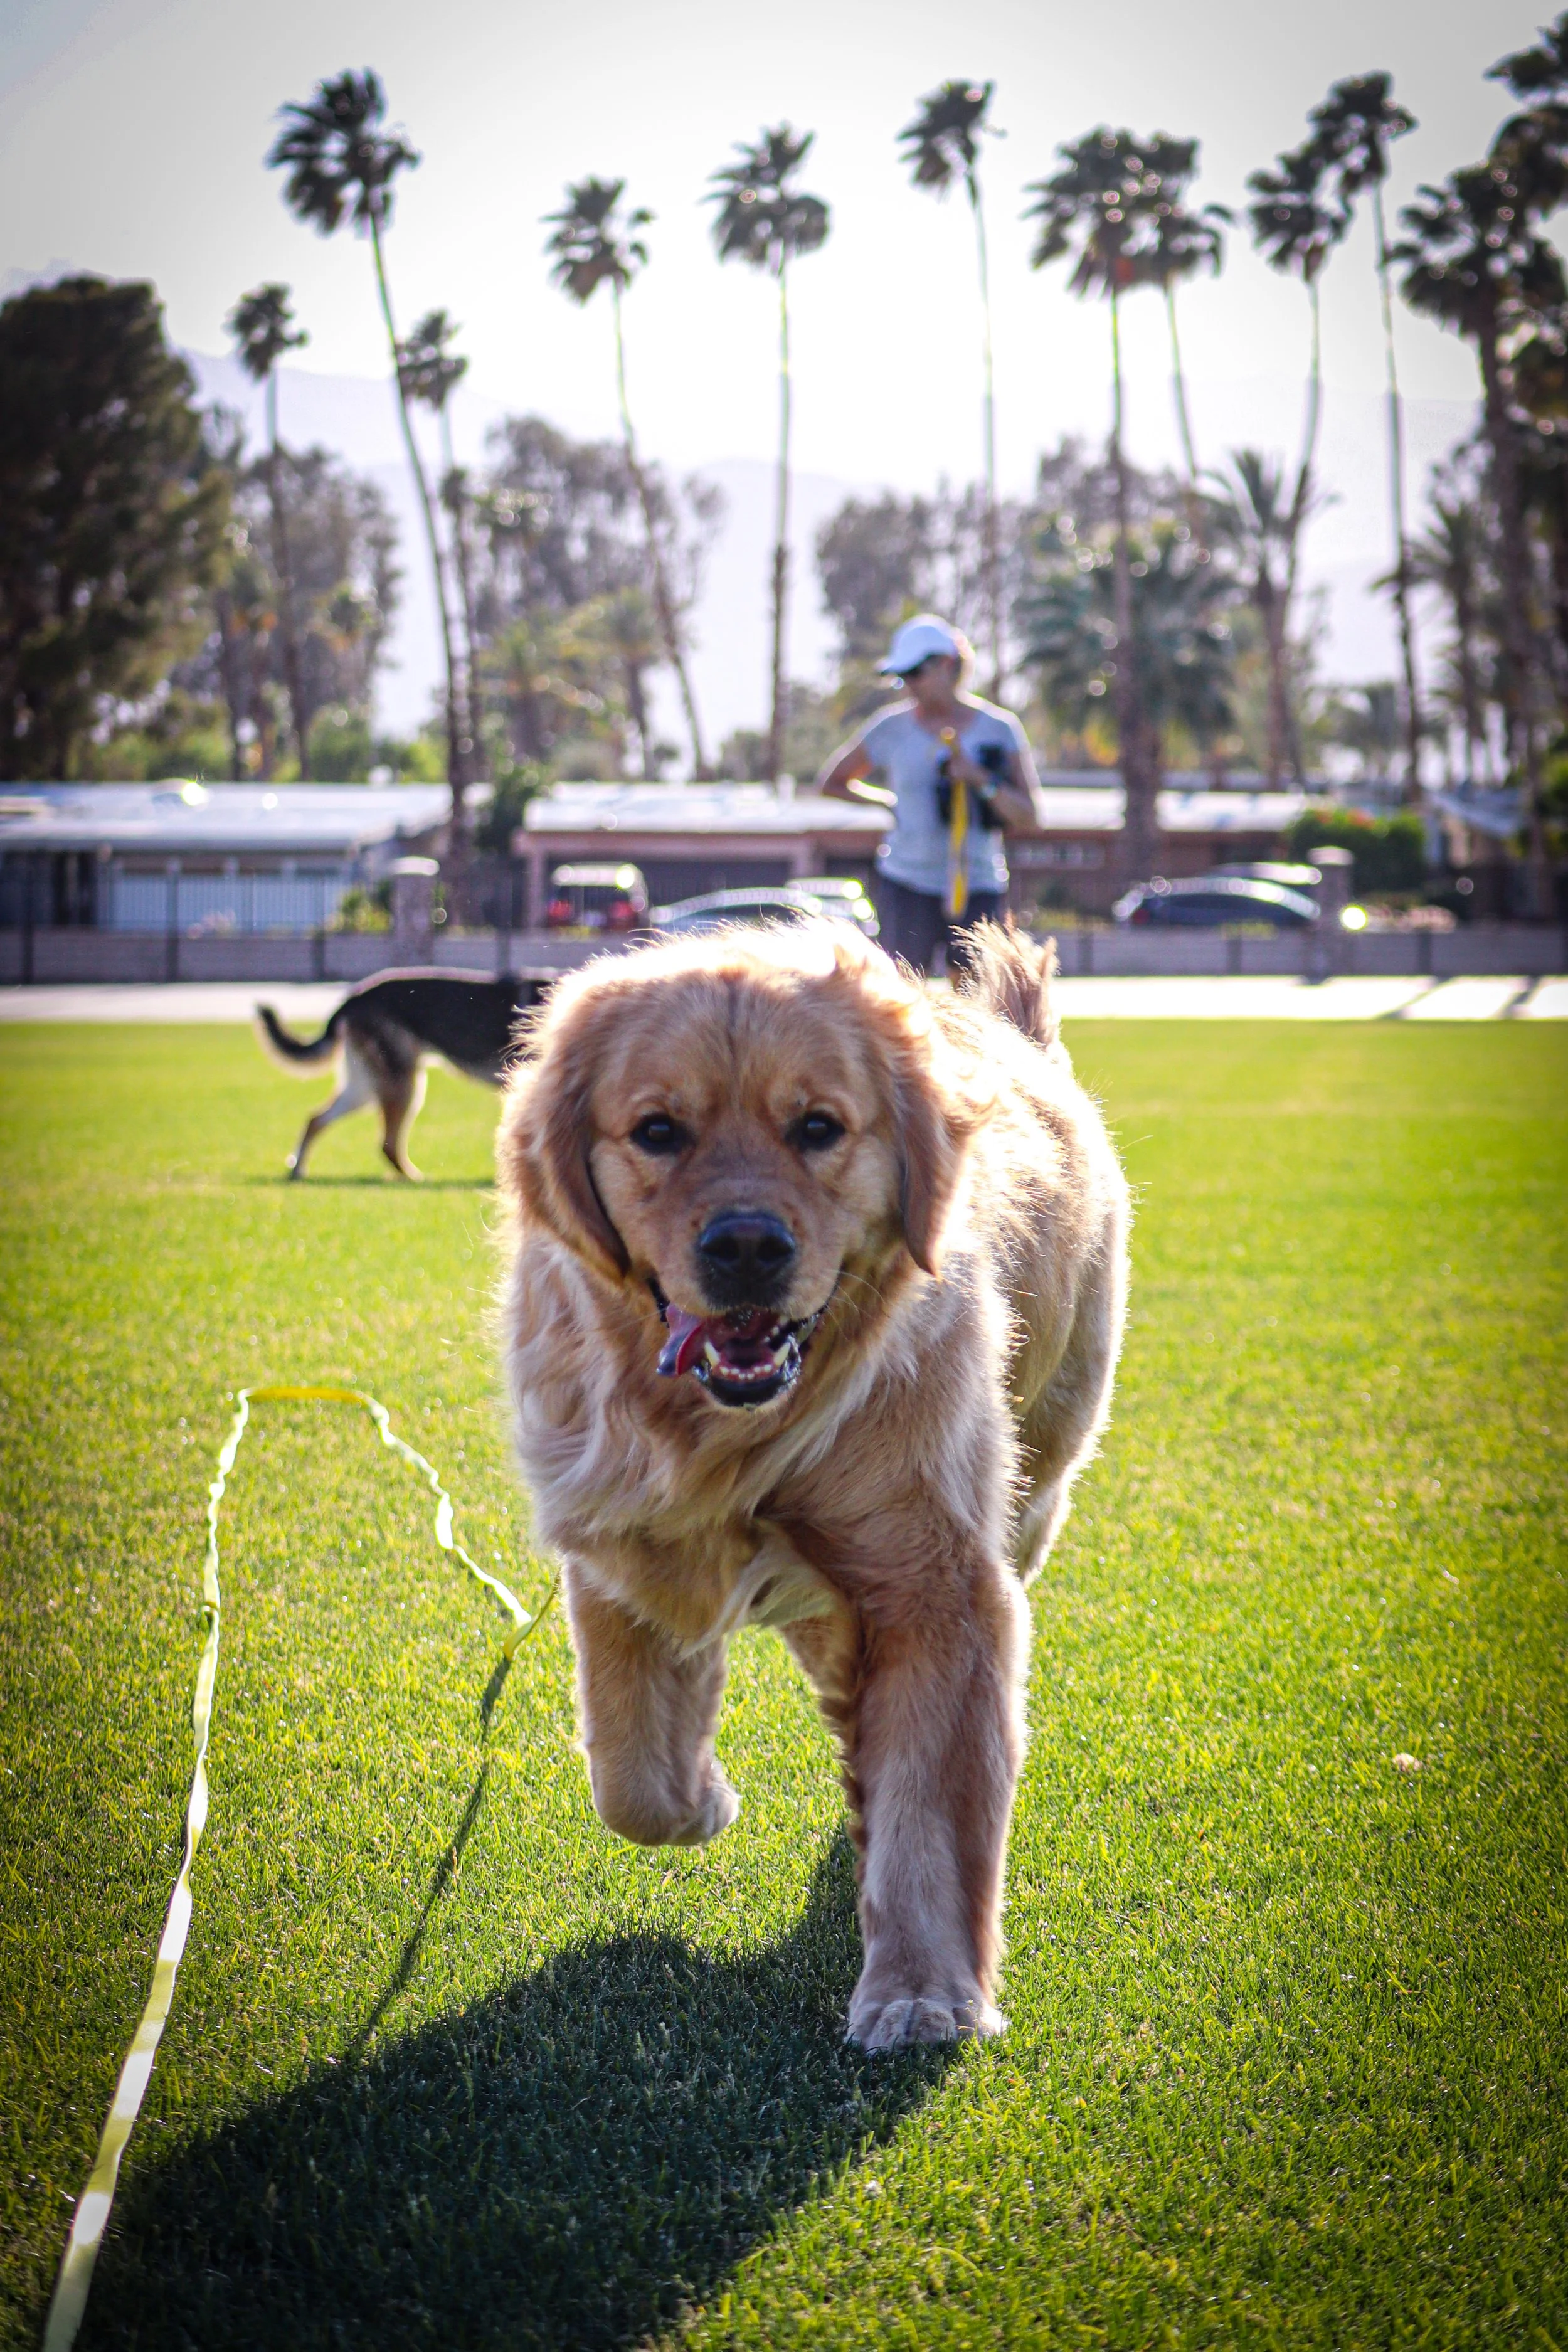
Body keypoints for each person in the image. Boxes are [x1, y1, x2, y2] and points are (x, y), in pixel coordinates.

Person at [817, 613, 1046, 976]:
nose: (910, 685)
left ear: (947, 664)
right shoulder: (890, 727)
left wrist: (980, 779)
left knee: (979, 1003)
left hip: (979, 884)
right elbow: (831, 782)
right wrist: (887, 803)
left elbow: (1030, 816)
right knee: (903, 999)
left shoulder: (1000, 728)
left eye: (916, 674)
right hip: (907, 882)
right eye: (902, 677)